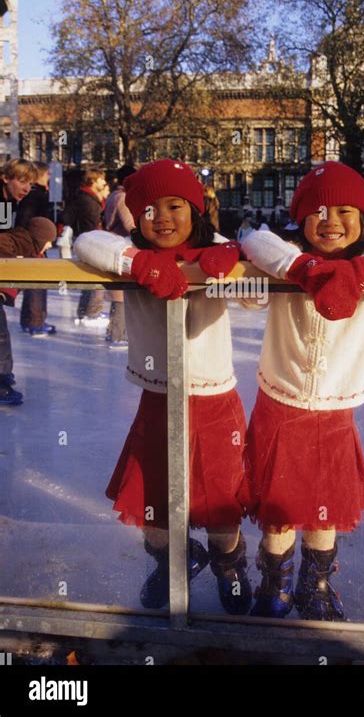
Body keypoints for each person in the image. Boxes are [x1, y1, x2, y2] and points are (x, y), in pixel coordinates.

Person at [240, 161, 364, 620]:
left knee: (325, 505)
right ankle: (276, 576)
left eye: (345, 210)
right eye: (318, 210)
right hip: (280, 399)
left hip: (335, 406)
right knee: (280, 503)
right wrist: (305, 269)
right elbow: (252, 239)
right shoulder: (285, 251)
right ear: (301, 217)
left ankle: (315, 580)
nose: (330, 221)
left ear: (363, 217)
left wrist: (359, 272)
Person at [74, 159, 252, 614]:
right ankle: (173, 559)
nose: (162, 217)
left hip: (214, 398)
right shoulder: (127, 250)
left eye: (175, 205)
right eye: (149, 209)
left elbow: (253, 292)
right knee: (153, 506)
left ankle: (228, 567)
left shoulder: (216, 250)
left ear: (196, 208)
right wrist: (142, 264)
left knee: (219, 508)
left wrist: (231, 260)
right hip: (157, 397)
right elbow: (84, 242)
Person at [0, 159, 38, 405]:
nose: (26, 188)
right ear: (6, 178)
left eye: (30, 184)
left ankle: (3, 376)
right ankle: (2, 381)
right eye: (22, 181)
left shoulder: (7, 203)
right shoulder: (3, 203)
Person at [15, 162, 57, 337]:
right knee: (37, 283)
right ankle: (35, 322)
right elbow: (27, 220)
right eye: (47, 175)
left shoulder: (33, 195)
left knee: (31, 282)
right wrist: (39, 240)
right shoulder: (36, 196)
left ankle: (30, 320)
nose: (49, 178)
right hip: (33, 244)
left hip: (30, 242)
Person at [62, 167, 109, 325]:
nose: (105, 182)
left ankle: (85, 312)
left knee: (91, 277)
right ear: (93, 181)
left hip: (89, 241)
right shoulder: (87, 200)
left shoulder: (88, 198)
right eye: (102, 179)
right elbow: (89, 223)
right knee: (97, 277)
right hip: (93, 244)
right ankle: (91, 313)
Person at [103, 165, 136, 349]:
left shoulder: (114, 195)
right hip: (121, 248)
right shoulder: (123, 197)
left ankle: (116, 331)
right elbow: (130, 225)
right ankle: (118, 333)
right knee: (121, 294)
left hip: (115, 246)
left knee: (120, 292)